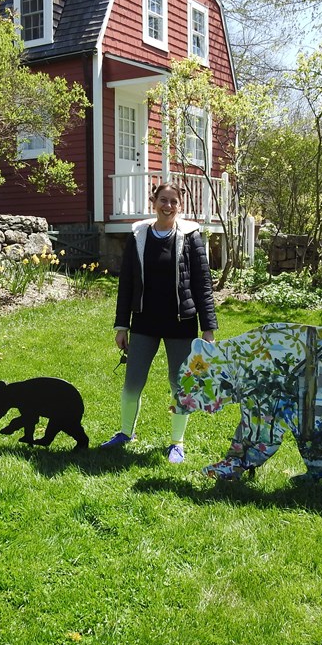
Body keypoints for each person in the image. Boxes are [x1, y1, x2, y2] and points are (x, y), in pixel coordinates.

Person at [102, 182, 218, 463]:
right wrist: (121, 325)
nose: (168, 206)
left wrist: (209, 329)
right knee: (132, 381)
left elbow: (203, 284)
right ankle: (125, 433)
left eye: (173, 202)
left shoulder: (191, 236)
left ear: (180, 206)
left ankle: (177, 443)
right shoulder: (139, 234)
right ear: (153, 202)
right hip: (144, 321)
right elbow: (127, 283)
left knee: (180, 384)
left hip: (181, 324)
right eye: (163, 200)